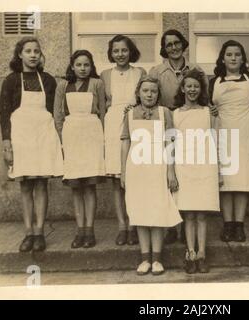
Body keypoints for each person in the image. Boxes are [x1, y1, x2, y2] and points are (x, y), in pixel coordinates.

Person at [0, 36, 63, 252]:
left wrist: (58, 140)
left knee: (41, 184)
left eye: (36, 51)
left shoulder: (48, 80)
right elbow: (4, 113)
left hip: (44, 135)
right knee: (25, 185)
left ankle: (40, 232)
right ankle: (28, 233)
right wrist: (7, 143)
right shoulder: (11, 80)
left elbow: (56, 112)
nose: (33, 54)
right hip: (21, 136)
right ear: (20, 54)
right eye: (28, 51)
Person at [149, 29, 210, 244]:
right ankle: (172, 227)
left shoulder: (196, 70)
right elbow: (148, 95)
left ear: (183, 45)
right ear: (164, 49)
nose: (173, 48)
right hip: (167, 126)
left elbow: (205, 99)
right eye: (168, 45)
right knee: (168, 178)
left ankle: (188, 232)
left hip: (190, 126)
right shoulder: (156, 71)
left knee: (188, 182)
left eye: (176, 43)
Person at [120, 76, 182, 275]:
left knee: (156, 211)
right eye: (145, 91)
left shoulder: (164, 113)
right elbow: (125, 143)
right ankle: (144, 258)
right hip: (136, 168)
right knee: (140, 212)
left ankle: (157, 259)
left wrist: (170, 171)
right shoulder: (130, 114)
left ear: (158, 94)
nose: (149, 94)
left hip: (158, 168)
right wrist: (123, 172)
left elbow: (170, 143)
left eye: (153, 91)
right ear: (138, 93)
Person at [209, 40, 249, 243]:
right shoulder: (213, 82)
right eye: (229, 54)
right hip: (223, 134)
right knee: (226, 181)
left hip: (245, 134)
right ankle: (228, 224)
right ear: (222, 58)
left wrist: (246, 125)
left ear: (242, 59)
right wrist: (211, 111)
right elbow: (207, 106)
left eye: (237, 54)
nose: (233, 58)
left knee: (242, 180)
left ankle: (239, 225)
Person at [54, 50, 106, 249]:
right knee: (76, 186)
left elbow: (102, 112)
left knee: (90, 185)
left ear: (91, 66)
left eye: (86, 65)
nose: (83, 68)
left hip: (92, 135)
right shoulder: (63, 86)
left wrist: (102, 141)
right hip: (71, 136)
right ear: (72, 66)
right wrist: (62, 140)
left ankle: (90, 230)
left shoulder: (97, 84)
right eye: (79, 65)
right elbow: (57, 115)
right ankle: (80, 230)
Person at [172, 69, 222, 274]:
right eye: (188, 86)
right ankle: (190, 253)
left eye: (196, 86)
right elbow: (171, 144)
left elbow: (217, 140)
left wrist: (219, 171)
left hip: (205, 166)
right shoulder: (174, 114)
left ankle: (202, 254)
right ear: (183, 88)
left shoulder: (208, 113)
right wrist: (172, 172)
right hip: (183, 166)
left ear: (201, 89)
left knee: (201, 213)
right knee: (188, 214)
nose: (192, 89)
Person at [100, 35, 146, 246]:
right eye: (116, 50)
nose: (120, 54)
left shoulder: (140, 73)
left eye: (124, 50)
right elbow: (102, 106)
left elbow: (147, 99)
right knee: (117, 181)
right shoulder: (104, 75)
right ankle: (122, 226)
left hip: (135, 124)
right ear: (111, 53)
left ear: (131, 51)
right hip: (112, 126)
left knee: (135, 178)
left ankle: (135, 224)